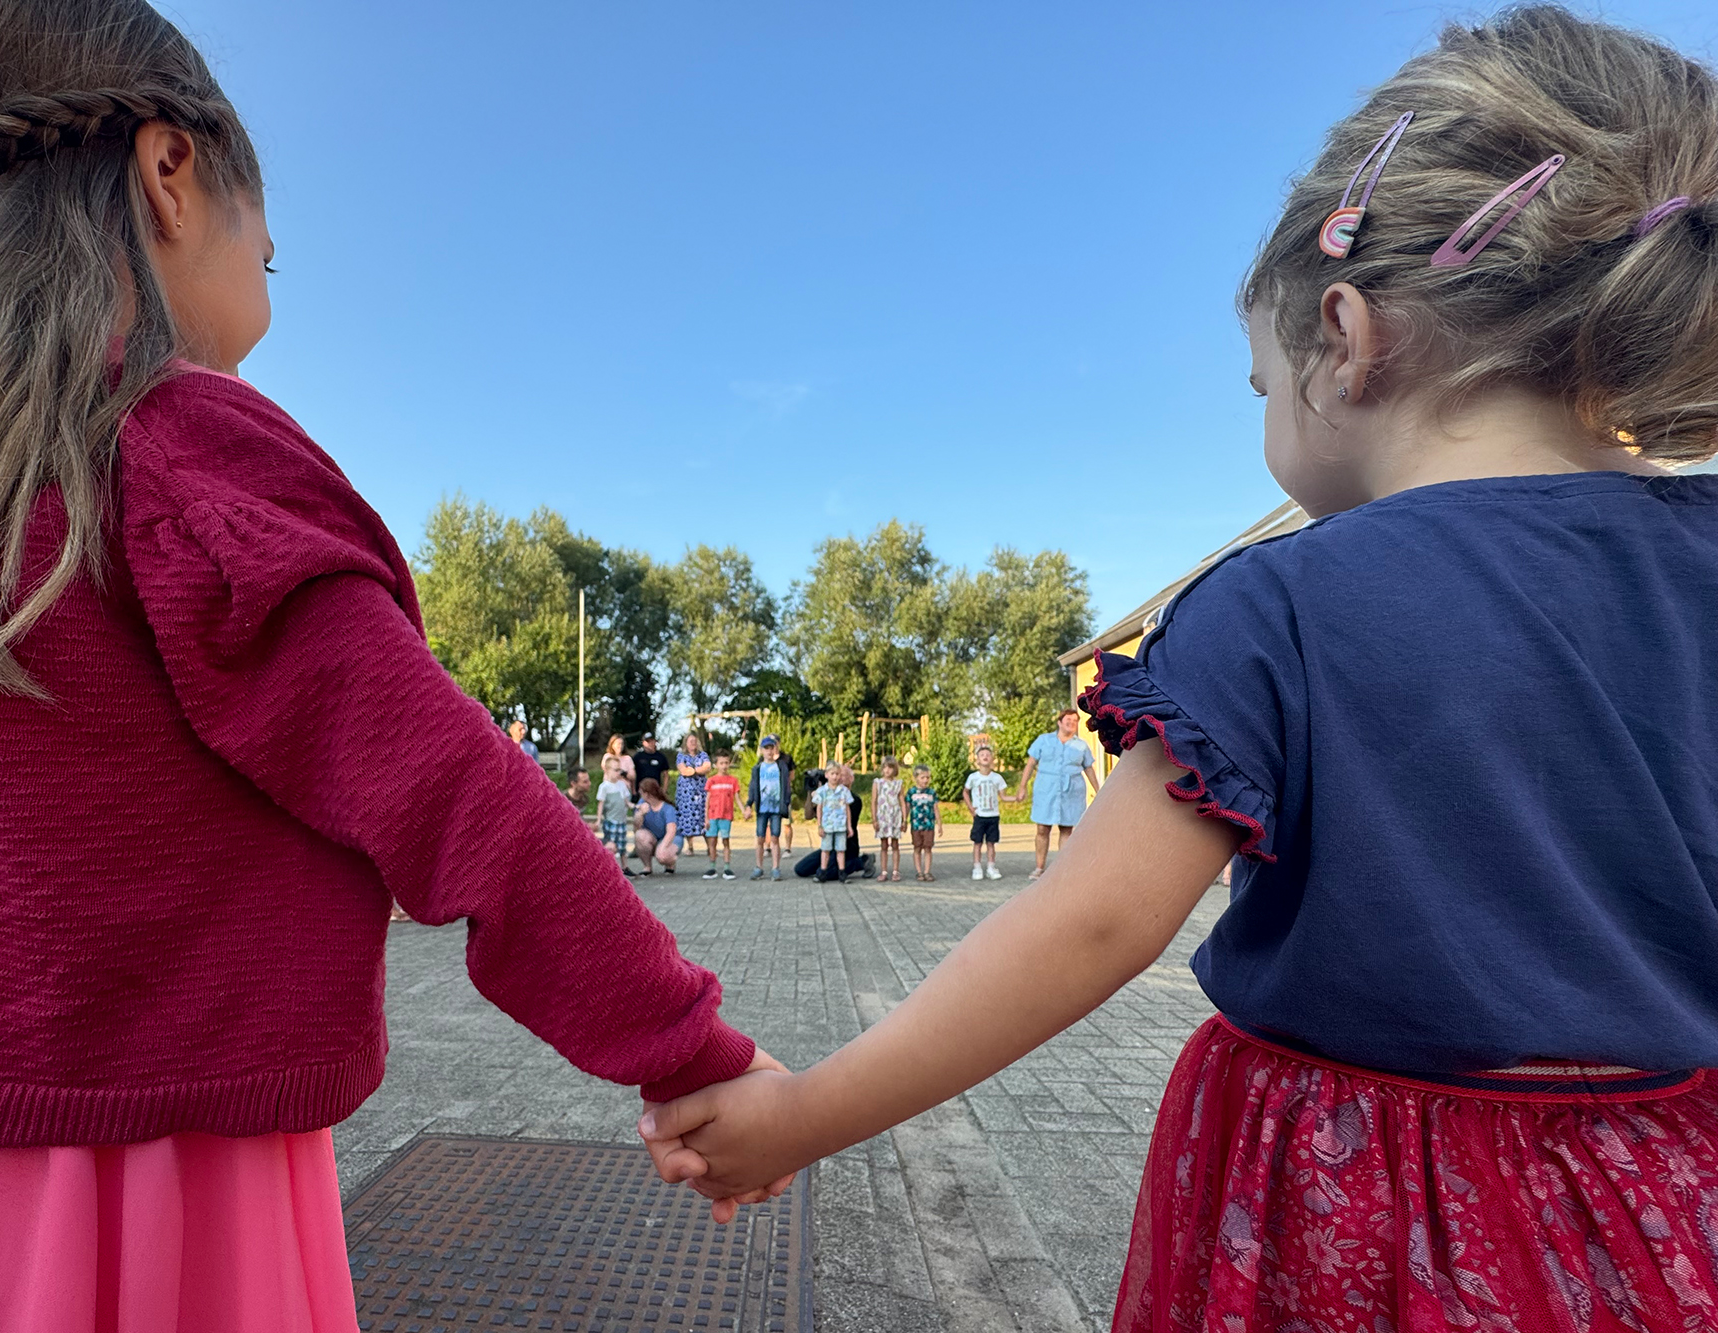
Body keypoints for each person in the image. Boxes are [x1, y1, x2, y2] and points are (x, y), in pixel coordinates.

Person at [0, 2, 791, 1321]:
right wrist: (691, 1053)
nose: (267, 297)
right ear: (172, 174)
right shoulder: (177, 449)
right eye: (271, 259)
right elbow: (452, 793)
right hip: (121, 1192)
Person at [644, 8, 1718, 1325]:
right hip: (1672, 1196)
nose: (1265, 409)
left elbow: (1094, 920)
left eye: (1258, 380)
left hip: (1362, 1212)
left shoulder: (1283, 604)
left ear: (1346, 335)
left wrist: (803, 1114)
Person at [1018, 709, 1099, 877]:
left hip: (1072, 790)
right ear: (1060, 722)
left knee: (1066, 829)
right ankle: (1039, 868)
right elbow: (1030, 763)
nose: (1071, 723)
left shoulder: (1081, 745)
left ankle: (1063, 869)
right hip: (1046, 789)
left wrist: (1099, 791)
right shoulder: (1043, 740)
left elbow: (1089, 768)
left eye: (1075, 721)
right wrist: (1022, 787)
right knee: (1042, 828)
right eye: (1068, 720)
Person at [746, 735, 791, 881]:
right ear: (762, 751)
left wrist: (786, 802)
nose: (769, 752)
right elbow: (753, 787)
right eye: (766, 749)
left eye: (771, 748)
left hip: (776, 809)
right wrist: (749, 804)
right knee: (760, 837)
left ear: (775, 749)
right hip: (762, 809)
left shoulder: (781, 767)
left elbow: (786, 785)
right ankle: (759, 867)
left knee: (775, 837)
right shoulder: (757, 768)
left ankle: (775, 868)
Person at [962, 746, 1007, 881]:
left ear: (992, 759)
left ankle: (991, 867)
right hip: (980, 815)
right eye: (982, 755)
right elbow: (965, 792)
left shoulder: (997, 778)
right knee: (977, 842)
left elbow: (1003, 796)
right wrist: (970, 808)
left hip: (993, 815)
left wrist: (1016, 798)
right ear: (977, 760)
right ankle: (977, 867)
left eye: (988, 754)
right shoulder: (973, 777)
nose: (985, 756)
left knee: (991, 843)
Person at [808, 766, 854, 883]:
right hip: (827, 825)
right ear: (826, 775)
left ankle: (842, 872)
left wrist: (849, 826)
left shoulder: (844, 791)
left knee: (841, 850)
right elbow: (819, 808)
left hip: (840, 825)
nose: (835, 776)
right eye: (832, 774)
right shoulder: (822, 791)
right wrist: (819, 825)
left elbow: (847, 809)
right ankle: (823, 872)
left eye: (837, 774)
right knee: (825, 849)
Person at [703, 753, 741, 880]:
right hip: (713, 816)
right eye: (721, 763)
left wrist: (744, 810)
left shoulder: (733, 781)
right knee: (712, 842)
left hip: (726, 816)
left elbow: (737, 798)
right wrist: (706, 818)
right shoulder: (711, 781)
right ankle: (712, 867)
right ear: (716, 765)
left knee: (726, 841)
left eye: (726, 763)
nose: (724, 766)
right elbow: (707, 801)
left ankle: (727, 868)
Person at [631, 778, 680, 876]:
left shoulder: (667, 808)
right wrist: (640, 814)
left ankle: (670, 863)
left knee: (662, 856)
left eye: (641, 792)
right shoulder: (642, 803)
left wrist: (663, 847)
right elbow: (636, 829)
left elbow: (671, 830)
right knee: (640, 835)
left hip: (670, 838)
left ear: (647, 794)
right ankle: (647, 867)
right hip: (652, 837)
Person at [674, 731, 711, 856]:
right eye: (691, 742)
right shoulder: (681, 756)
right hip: (686, 794)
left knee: (704, 816)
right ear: (686, 743)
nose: (693, 744)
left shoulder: (703, 755)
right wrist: (698, 770)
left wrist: (693, 770)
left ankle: (709, 846)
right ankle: (690, 847)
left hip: (701, 792)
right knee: (687, 818)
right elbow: (683, 771)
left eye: (695, 741)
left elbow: (707, 767)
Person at [870, 756, 907, 882]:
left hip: (895, 816)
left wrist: (904, 819)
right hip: (882, 817)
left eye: (890, 768)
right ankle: (884, 871)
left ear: (894, 769)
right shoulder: (877, 783)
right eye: (885, 767)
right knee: (884, 844)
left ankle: (896, 871)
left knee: (895, 844)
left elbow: (902, 802)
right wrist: (874, 819)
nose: (887, 770)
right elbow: (874, 801)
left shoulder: (898, 784)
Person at [906, 764, 939, 882]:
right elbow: (907, 807)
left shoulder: (931, 792)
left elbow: (935, 808)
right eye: (922, 777)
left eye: (927, 778)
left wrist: (939, 823)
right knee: (917, 848)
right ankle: (919, 871)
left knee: (928, 848)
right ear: (916, 778)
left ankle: (927, 871)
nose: (925, 780)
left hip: (929, 825)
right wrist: (903, 821)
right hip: (916, 825)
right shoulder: (911, 792)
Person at [598, 766, 634, 873]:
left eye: (619, 770)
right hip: (610, 820)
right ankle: (610, 866)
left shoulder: (622, 785)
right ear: (607, 770)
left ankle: (625, 866)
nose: (618, 773)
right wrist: (599, 819)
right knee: (611, 844)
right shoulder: (604, 787)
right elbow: (601, 804)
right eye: (615, 770)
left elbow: (626, 801)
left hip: (621, 820)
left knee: (622, 844)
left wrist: (634, 806)